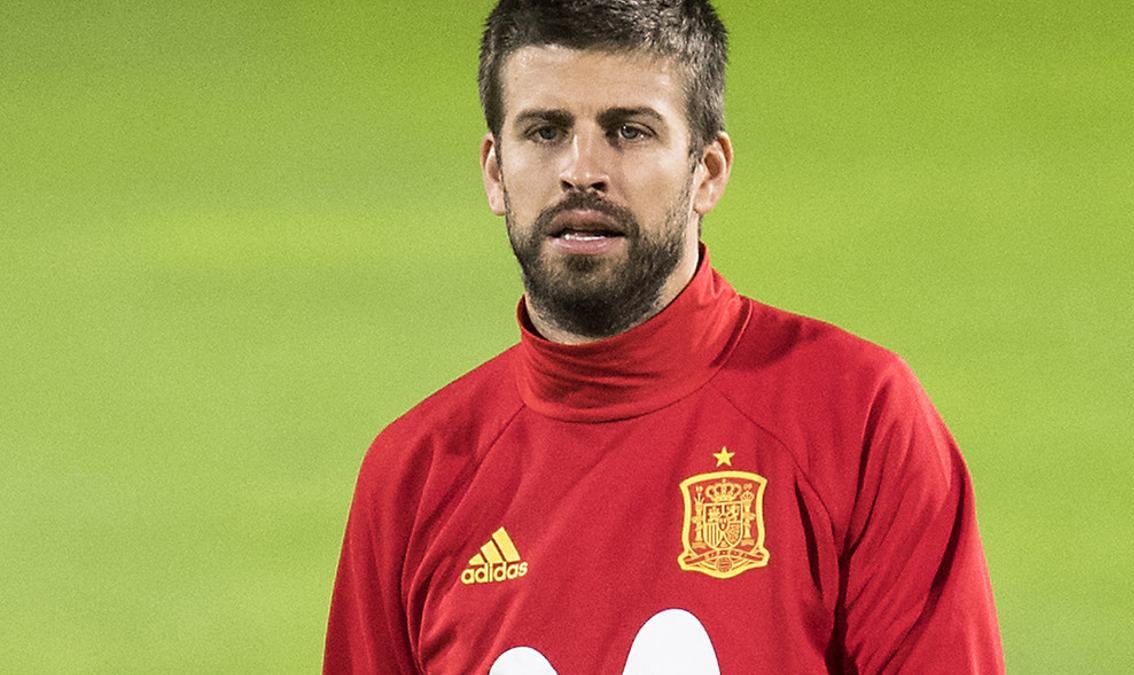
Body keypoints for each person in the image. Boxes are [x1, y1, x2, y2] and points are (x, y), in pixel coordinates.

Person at [325, 1, 1004, 672]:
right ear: (496, 172)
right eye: (544, 131)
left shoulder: (856, 416)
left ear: (706, 171)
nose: (582, 170)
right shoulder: (412, 476)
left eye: (629, 131)